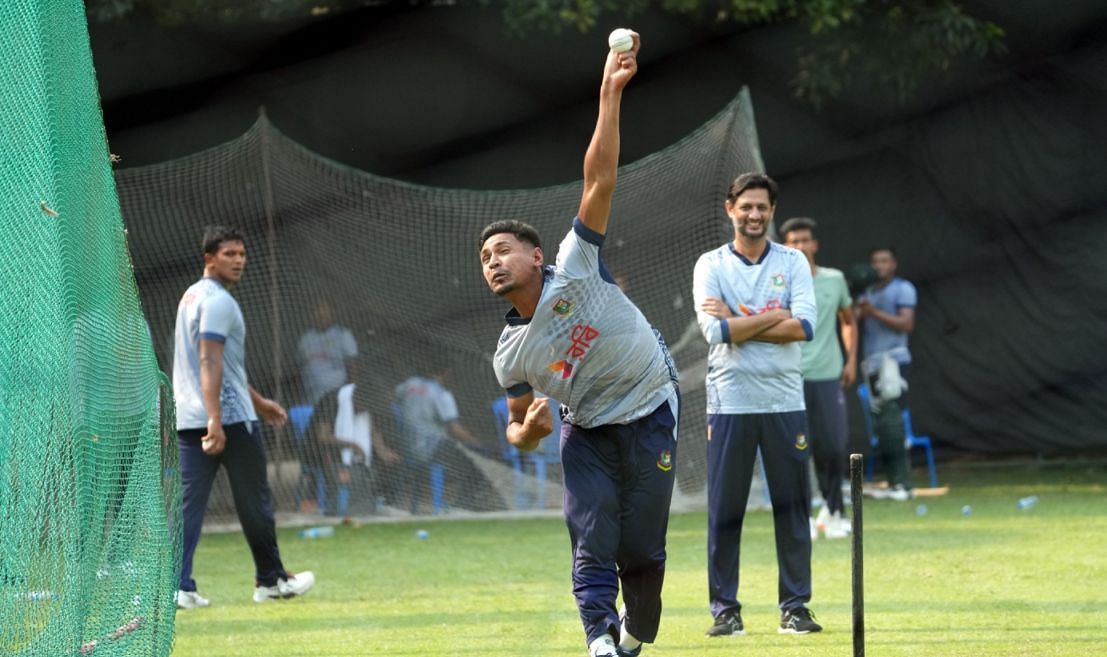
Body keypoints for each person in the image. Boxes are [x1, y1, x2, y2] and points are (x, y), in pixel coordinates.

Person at [479, 33, 680, 657]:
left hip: (651, 406)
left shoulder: (576, 266)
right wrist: (532, 432)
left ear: (536, 256)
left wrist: (608, 92)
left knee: (643, 555)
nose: (492, 261)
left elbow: (599, 178)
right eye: (484, 258)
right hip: (586, 431)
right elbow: (516, 430)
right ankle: (598, 640)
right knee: (593, 539)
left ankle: (631, 636)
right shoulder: (508, 357)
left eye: (502, 250)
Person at [693, 172, 822, 636]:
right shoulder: (710, 264)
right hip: (729, 404)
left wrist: (741, 318)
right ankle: (725, 610)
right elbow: (716, 332)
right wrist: (774, 317)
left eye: (762, 207)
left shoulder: (793, 262)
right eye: (745, 206)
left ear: (771, 212)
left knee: (792, 508)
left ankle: (795, 607)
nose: (753, 214)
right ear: (730, 209)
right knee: (725, 511)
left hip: (785, 402)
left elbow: (805, 328)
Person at [172, 226, 314, 609]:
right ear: (209, 258)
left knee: (189, 505)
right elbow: (209, 359)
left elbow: (223, 367)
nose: (238, 261)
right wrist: (217, 419)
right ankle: (270, 581)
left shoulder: (189, 297)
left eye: (242, 254)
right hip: (229, 421)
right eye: (229, 254)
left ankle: (178, 586)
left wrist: (261, 402)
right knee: (256, 502)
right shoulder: (219, 302)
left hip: (189, 417)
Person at [780, 217, 858, 539]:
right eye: (794, 241)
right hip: (790, 378)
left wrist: (851, 359)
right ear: (786, 247)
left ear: (815, 245)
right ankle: (804, 518)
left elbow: (849, 320)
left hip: (828, 375)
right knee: (796, 450)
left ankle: (835, 511)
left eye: (805, 240)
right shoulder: (778, 283)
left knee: (835, 446)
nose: (800, 246)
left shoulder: (834, 279)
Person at [856, 247, 916, 500]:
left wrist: (874, 312)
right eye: (875, 262)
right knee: (881, 424)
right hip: (871, 365)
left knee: (892, 421)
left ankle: (903, 484)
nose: (879, 266)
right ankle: (893, 484)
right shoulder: (866, 292)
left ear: (893, 264)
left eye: (884, 261)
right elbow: (852, 319)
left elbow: (906, 323)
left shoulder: (903, 288)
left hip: (893, 361)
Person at [393, 364, 482, 514]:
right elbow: (455, 429)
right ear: (446, 372)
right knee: (477, 461)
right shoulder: (442, 394)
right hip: (432, 449)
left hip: (407, 448)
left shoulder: (409, 384)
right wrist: (478, 444)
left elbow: (393, 400)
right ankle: (461, 507)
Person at [308, 381, 400, 519]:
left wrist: (383, 451)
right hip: (324, 452)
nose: (365, 411)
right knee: (346, 470)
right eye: (365, 407)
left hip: (355, 454)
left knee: (389, 463)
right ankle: (342, 506)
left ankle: (382, 502)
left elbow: (374, 432)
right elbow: (322, 437)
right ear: (359, 399)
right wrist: (354, 446)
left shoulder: (370, 407)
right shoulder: (331, 400)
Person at [297, 299, 358, 404]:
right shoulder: (305, 339)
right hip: (312, 397)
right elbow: (299, 370)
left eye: (325, 312)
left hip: (337, 395)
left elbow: (354, 365)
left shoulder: (343, 334)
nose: (322, 315)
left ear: (333, 314)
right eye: (318, 312)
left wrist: (352, 395)